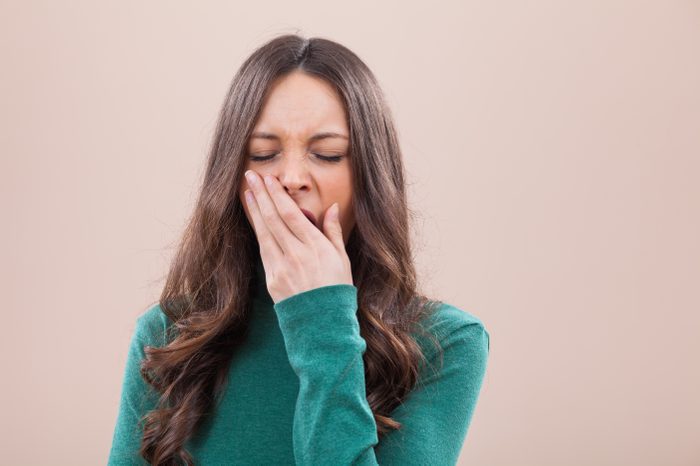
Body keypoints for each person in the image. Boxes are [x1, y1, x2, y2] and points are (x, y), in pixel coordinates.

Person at [107, 33, 490, 466]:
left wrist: (321, 319)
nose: (291, 178)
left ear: (370, 176)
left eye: (327, 154)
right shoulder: (168, 336)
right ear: (232, 178)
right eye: (263, 154)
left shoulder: (445, 343)